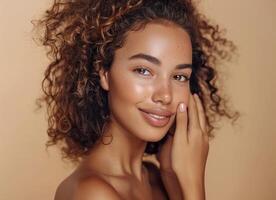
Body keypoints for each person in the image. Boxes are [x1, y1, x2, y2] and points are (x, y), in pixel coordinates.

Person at [34, 0, 239, 199]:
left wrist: (170, 173)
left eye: (179, 77)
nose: (165, 95)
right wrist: (193, 183)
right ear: (105, 73)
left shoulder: (156, 177)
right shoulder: (91, 193)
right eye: (143, 71)